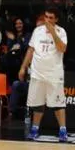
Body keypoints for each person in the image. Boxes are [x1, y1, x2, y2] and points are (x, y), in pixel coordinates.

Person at [19, 8, 69, 142]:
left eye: (51, 17)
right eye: (46, 17)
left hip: (54, 73)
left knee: (58, 104)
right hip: (37, 73)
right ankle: (35, 129)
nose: (47, 20)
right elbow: (31, 50)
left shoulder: (61, 31)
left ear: (56, 19)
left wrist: (52, 31)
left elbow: (62, 48)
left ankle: (63, 130)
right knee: (37, 103)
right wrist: (23, 67)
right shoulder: (37, 31)